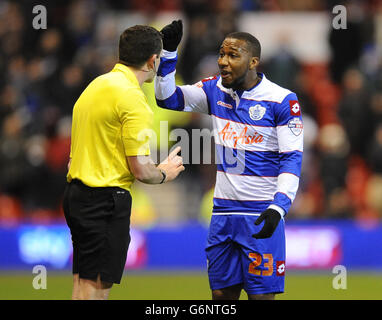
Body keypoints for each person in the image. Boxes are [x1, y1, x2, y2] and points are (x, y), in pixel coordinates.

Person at [155, 20, 303, 300]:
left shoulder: (282, 100)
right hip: (223, 215)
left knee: (260, 297)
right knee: (221, 298)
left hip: (260, 214)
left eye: (233, 55)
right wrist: (170, 55)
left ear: (253, 61)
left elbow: (292, 158)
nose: (223, 61)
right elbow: (167, 98)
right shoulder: (214, 91)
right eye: (221, 54)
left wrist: (279, 207)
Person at [63, 25, 185, 300]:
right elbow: (140, 169)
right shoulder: (133, 100)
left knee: (82, 285)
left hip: (77, 196)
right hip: (104, 199)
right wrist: (164, 173)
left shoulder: (96, 86)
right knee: (95, 290)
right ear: (153, 61)